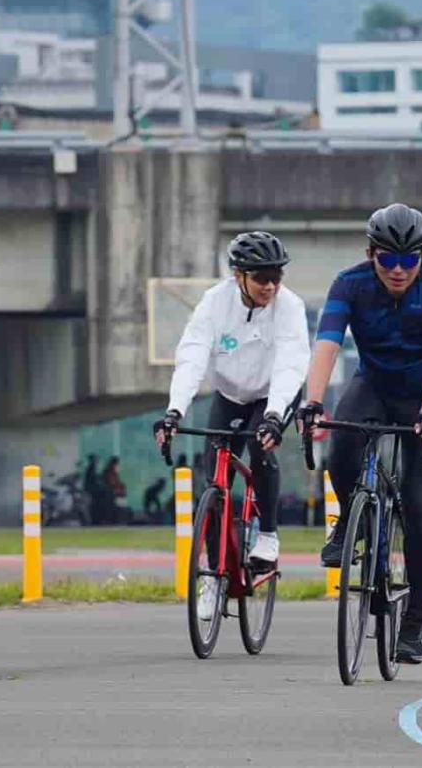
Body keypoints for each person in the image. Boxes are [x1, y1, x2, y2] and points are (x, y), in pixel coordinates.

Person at [296, 203, 422, 665]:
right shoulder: (349, 284)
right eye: (387, 259)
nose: (398, 270)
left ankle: (415, 623)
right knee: (341, 444)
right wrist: (313, 401)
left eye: (410, 261)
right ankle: (352, 518)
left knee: (419, 502)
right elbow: (327, 343)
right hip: (374, 384)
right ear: (370, 254)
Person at [154, 231, 311, 589]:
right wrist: (174, 411)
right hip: (229, 395)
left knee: (260, 447)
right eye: (261, 278)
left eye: (276, 277)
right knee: (215, 485)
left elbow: (291, 363)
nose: (270, 286)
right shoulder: (214, 303)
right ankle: (213, 577)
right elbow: (192, 356)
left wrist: (274, 415)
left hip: (274, 395)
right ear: (238, 276)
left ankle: (268, 536)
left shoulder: (290, 307)